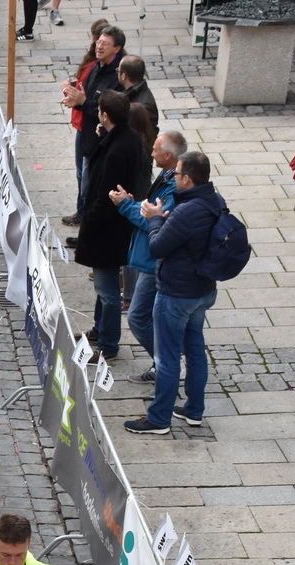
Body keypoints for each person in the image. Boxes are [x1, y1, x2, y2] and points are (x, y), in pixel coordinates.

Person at [126, 150, 223, 435]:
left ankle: (158, 419)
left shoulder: (186, 211)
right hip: (202, 291)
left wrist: (155, 219)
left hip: (177, 294)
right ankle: (193, 411)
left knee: (167, 358)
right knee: (194, 351)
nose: (174, 177)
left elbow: (157, 247)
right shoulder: (215, 201)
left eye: (178, 173)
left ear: (189, 179)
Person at [74, 91, 147, 364]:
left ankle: (108, 344)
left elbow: (108, 193)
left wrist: (90, 219)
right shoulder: (122, 138)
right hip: (109, 226)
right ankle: (99, 330)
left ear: (106, 115)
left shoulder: (119, 148)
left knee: (107, 290)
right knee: (103, 288)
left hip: (107, 229)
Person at [112, 129, 185, 379]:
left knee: (138, 317)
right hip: (149, 256)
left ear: (167, 155)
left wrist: (126, 205)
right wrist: (136, 203)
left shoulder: (174, 185)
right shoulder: (166, 177)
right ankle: (164, 362)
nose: (151, 153)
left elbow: (154, 221)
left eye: (155, 150)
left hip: (154, 261)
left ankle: (166, 363)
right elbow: (151, 210)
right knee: (149, 316)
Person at [59, 24, 124, 223]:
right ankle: (81, 212)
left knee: (89, 182)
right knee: (81, 175)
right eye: (98, 41)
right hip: (85, 131)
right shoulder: (95, 67)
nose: (99, 46)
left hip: (99, 139)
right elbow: (85, 96)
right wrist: (75, 100)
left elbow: (108, 112)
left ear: (117, 49)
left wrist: (83, 103)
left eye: (105, 43)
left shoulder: (117, 77)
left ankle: (86, 219)